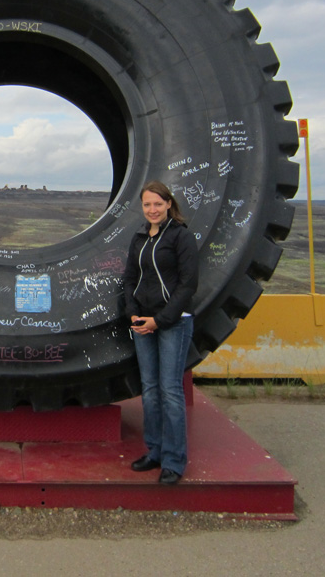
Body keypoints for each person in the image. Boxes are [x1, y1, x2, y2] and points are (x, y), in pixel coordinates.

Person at [122, 180, 199, 485]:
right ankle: (154, 451)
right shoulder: (140, 237)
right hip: (143, 322)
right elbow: (129, 277)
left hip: (173, 323)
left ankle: (174, 461)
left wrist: (160, 319)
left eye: (157, 203)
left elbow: (188, 285)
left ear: (169, 204)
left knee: (170, 391)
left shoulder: (181, 236)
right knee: (150, 390)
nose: (152, 210)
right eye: (147, 205)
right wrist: (132, 312)